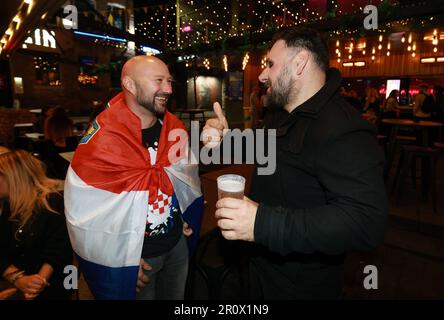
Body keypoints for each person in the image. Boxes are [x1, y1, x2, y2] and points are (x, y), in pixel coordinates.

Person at [203, 27, 388, 299]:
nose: (263, 74)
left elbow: (366, 223)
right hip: (262, 271)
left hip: (301, 286)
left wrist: (262, 224)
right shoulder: (283, 114)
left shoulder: (343, 130)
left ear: (300, 63)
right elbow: (264, 146)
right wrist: (224, 140)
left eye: (270, 64)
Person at [63, 55, 203, 300]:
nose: (168, 89)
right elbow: (87, 211)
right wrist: (121, 258)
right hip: (138, 258)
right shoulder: (104, 137)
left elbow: (180, 179)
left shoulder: (173, 127)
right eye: (159, 81)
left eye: (169, 81)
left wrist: (179, 215)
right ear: (129, 84)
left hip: (176, 245)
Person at [0, 150, 72, 300]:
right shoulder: (6, 205)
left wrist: (34, 285)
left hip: (52, 282)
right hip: (14, 281)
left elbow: (59, 251)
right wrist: (17, 280)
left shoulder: (54, 202)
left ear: (14, 177)